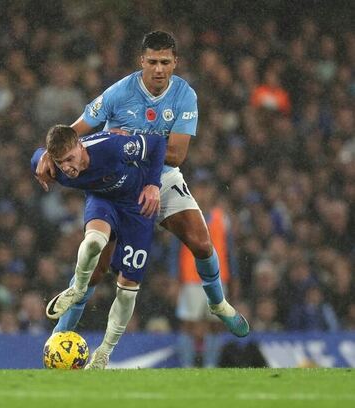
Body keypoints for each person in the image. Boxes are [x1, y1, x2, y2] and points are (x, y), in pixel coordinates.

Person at [35, 31, 249, 338]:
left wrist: (135, 143)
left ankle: (218, 304)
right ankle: (59, 335)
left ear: (175, 62)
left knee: (202, 243)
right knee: (96, 271)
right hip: (115, 182)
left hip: (160, 177)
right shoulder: (119, 93)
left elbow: (176, 154)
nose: (158, 69)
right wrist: (49, 153)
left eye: (165, 62)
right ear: (142, 62)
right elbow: (76, 130)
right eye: (152, 62)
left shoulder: (185, 96)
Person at [32, 124, 166, 369]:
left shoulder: (113, 148)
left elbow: (157, 143)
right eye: (61, 162)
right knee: (94, 241)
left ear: (81, 146)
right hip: (103, 201)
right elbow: (35, 158)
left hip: (136, 207)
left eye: (71, 158)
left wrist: (153, 184)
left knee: (127, 289)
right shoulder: (56, 169)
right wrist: (40, 159)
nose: (68, 167)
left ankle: (104, 351)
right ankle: (77, 289)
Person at [170, 170, 239, 367]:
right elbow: (175, 251)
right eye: (200, 187)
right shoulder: (183, 216)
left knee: (216, 325)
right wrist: (175, 280)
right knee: (188, 325)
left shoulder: (221, 218)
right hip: (191, 279)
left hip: (218, 279)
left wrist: (234, 279)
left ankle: (211, 366)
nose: (203, 192)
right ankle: (187, 366)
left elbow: (229, 251)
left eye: (206, 188)